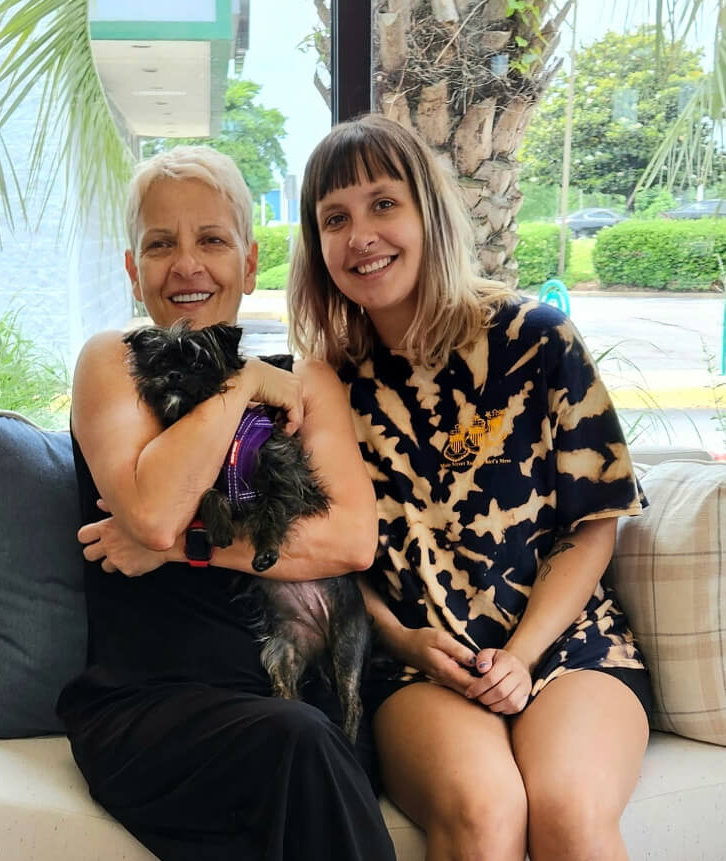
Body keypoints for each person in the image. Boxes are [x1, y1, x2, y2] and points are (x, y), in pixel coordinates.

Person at [287, 113, 652, 861]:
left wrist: (520, 655)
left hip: (568, 648)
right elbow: (331, 559)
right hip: (418, 663)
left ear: (427, 211)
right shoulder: (325, 387)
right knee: (485, 813)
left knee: (569, 810)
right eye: (334, 217)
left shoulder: (536, 339)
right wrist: (404, 637)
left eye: (383, 204)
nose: (360, 235)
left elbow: (593, 524)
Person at [56, 144, 397, 861]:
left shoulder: (311, 380)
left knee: (307, 740)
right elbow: (151, 509)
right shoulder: (109, 363)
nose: (186, 264)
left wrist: (187, 548)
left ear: (247, 263)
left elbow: (351, 540)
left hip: (295, 699)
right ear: (132, 269)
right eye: (160, 244)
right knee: (299, 746)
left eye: (211, 239)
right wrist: (238, 381)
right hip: (149, 707)